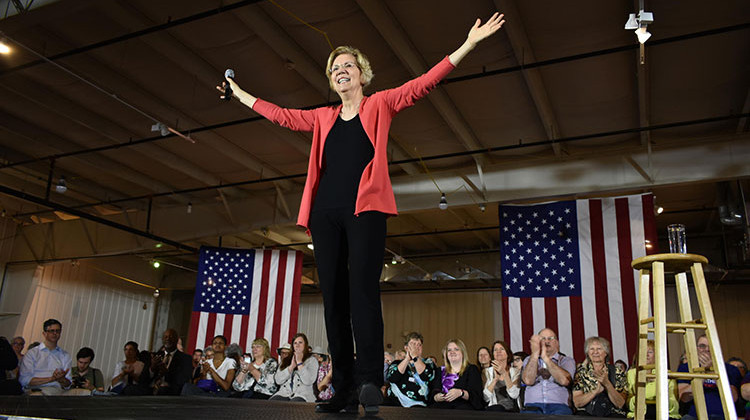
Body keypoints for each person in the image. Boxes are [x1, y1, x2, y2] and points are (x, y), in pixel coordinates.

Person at [219, 11, 505, 415]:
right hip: (325, 215)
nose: (340, 71)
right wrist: (239, 93)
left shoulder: (380, 104)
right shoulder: (322, 117)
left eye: (347, 66)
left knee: (363, 296)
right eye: (335, 68)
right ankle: (343, 389)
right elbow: (281, 115)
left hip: (365, 211)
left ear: (362, 74)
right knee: (334, 300)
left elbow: (423, 84)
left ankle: (370, 381)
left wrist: (469, 45)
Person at [678, 334, 741, 420]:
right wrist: (703, 373)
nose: (707, 350)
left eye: (710, 346)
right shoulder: (685, 367)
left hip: (723, 416)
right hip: (694, 416)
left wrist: (713, 372)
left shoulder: (731, 369)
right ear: (696, 349)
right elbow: (684, 397)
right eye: (702, 346)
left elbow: (733, 398)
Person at [521, 328, 576, 414]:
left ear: (557, 343)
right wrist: (535, 354)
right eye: (543, 339)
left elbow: (564, 381)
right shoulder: (529, 359)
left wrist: (545, 358)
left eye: (550, 338)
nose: (546, 342)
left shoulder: (566, 360)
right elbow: (528, 380)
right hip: (532, 406)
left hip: (559, 407)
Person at [572, 337, 627, 417]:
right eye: (592, 349)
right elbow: (577, 403)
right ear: (587, 353)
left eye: (599, 349)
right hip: (587, 413)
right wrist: (596, 391)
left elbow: (620, 404)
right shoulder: (581, 372)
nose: (595, 352)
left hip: (612, 414)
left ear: (606, 353)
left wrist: (607, 384)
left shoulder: (617, 372)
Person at [626, 340, 680, 419]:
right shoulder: (632, 374)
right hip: (640, 413)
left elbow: (673, 404)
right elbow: (630, 402)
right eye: (643, 351)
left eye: (650, 352)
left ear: (657, 355)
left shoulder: (666, 373)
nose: (646, 355)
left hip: (664, 413)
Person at [385, 332, 440, 408]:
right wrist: (407, 359)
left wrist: (415, 357)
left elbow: (426, 376)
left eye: (419, 345)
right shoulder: (397, 363)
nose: (416, 347)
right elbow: (392, 377)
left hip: (419, 404)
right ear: (406, 348)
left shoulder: (429, 362)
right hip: (395, 402)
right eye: (413, 344)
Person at [18, 319, 72, 395]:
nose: (55, 333)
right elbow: (24, 380)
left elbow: (68, 385)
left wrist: (62, 379)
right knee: (39, 395)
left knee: (84, 393)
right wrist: (51, 379)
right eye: (51, 331)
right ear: (44, 333)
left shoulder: (65, 355)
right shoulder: (32, 353)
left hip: (56, 389)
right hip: (34, 389)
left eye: (58, 331)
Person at [429, 338, 484, 410]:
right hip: (442, 408)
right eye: (449, 350)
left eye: (456, 349)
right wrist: (437, 397)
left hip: (464, 409)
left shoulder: (471, 369)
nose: (452, 352)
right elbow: (433, 393)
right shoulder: (440, 371)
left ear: (463, 353)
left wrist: (461, 393)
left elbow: (476, 397)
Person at [271, 333, 318, 402]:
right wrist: (291, 367)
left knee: (293, 405)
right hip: (284, 393)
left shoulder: (312, 360)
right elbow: (278, 380)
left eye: (300, 342)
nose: (297, 345)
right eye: (295, 343)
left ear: (305, 345)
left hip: (303, 395)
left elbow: (308, 381)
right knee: (271, 403)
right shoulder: (286, 360)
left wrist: (299, 363)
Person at [151, 328, 193, 396]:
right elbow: (145, 378)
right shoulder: (155, 356)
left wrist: (167, 373)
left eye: (171, 337)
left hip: (171, 391)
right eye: (166, 337)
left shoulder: (185, 358)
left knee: (162, 390)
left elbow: (183, 380)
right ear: (162, 340)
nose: (168, 339)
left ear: (177, 340)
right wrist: (152, 369)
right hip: (152, 388)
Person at [484, 340, 520, 412]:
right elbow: (485, 398)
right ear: (493, 355)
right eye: (495, 350)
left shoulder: (516, 372)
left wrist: (504, 373)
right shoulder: (487, 372)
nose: (498, 351)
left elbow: (514, 394)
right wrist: (495, 380)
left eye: (502, 349)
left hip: (512, 411)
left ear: (507, 354)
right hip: (495, 410)